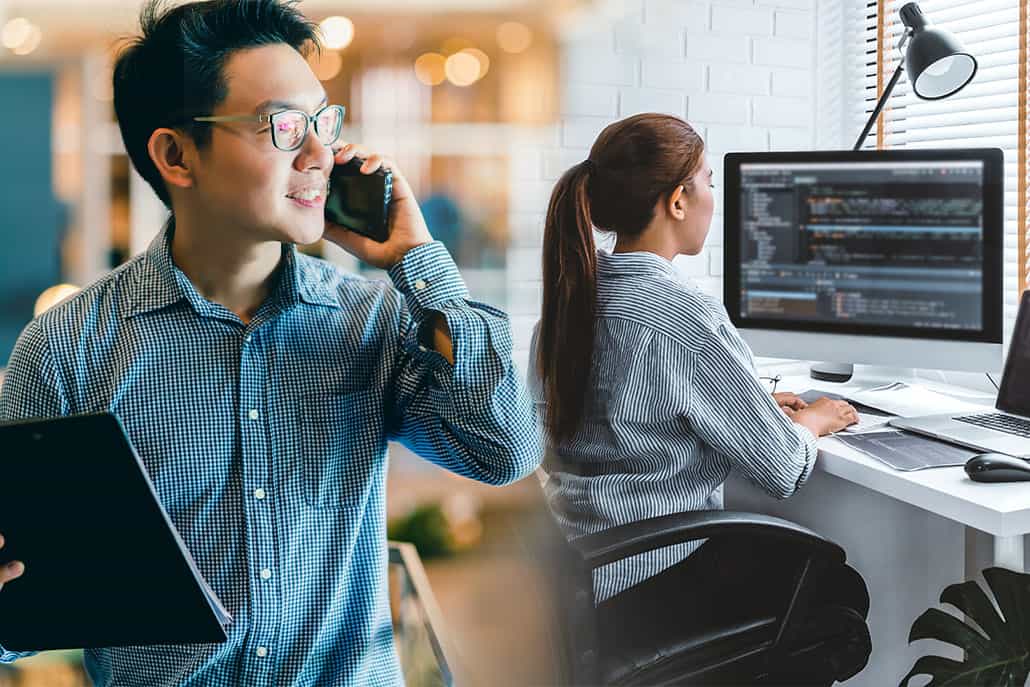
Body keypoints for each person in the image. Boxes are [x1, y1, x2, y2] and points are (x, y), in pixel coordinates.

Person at [0, 1, 540, 684]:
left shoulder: (369, 316)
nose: (321, 153)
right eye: (284, 126)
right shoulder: (69, 347)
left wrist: (419, 262)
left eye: (323, 121)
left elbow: (505, 451)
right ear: (176, 154)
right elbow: (24, 609)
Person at [530, 113, 867, 668]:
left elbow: (596, 424)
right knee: (838, 593)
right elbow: (782, 471)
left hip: (582, 575)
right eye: (709, 180)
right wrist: (811, 421)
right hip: (652, 571)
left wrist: (745, 407)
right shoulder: (685, 314)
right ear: (678, 200)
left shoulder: (567, 306)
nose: (715, 195)